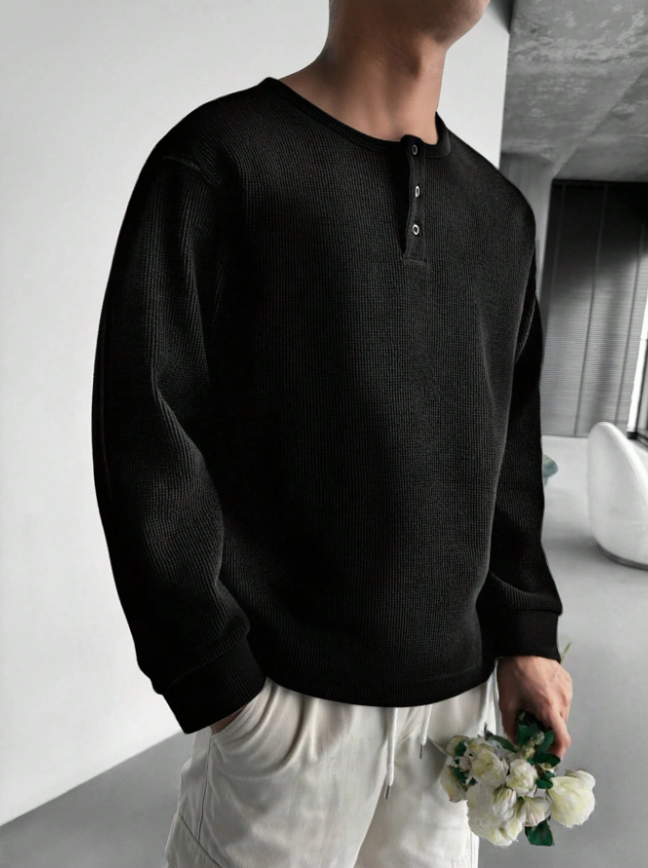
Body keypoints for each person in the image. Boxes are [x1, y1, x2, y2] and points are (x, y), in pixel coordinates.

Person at [91, 0, 573, 865]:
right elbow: (145, 428)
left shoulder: (503, 217)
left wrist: (526, 635)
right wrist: (223, 687)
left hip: (454, 723)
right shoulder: (221, 160)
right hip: (285, 715)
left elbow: (508, 452)